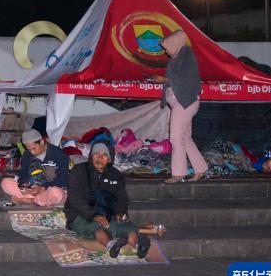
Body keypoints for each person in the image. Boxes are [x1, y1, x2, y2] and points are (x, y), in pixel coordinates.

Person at [65, 141, 150, 259]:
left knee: (128, 227)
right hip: (82, 215)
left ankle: (138, 246)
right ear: (91, 156)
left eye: (104, 155)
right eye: (96, 154)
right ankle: (111, 245)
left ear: (109, 159)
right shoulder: (79, 171)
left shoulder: (115, 175)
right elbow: (75, 198)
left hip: (107, 214)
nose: (99, 158)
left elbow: (122, 198)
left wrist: (120, 212)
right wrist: (93, 215)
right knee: (97, 227)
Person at [156, 30, 207, 183]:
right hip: (182, 102)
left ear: (175, 43)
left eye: (167, 47)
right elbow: (176, 79)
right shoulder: (177, 58)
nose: (166, 51)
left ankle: (178, 174)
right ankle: (201, 169)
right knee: (184, 138)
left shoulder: (186, 56)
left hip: (185, 101)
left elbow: (186, 78)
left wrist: (164, 79)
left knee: (175, 137)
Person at [0, 129, 69, 207]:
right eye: (29, 149)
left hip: (49, 191)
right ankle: (36, 199)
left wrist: (43, 188)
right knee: (6, 183)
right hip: (32, 190)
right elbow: (23, 174)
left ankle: (33, 200)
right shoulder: (27, 154)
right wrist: (24, 185)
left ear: (42, 142)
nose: (32, 152)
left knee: (56, 194)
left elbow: (63, 180)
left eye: (34, 148)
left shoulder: (58, 154)